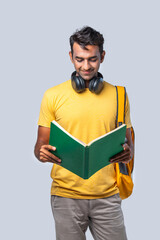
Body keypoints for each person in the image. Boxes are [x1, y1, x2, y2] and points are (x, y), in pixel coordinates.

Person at [34, 26, 134, 240]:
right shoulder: (52, 95)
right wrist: (41, 153)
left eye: (92, 59)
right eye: (80, 59)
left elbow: (128, 141)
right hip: (66, 196)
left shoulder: (119, 95)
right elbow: (40, 144)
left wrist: (128, 151)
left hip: (107, 195)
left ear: (103, 56)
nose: (86, 66)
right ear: (71, 57)